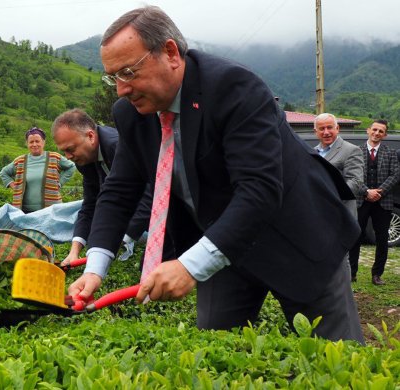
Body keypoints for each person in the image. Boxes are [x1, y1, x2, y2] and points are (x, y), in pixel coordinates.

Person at [68, 5, 364, 343]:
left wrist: (189, 265)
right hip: (224, 244)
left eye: (129, 72)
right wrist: (94, 268)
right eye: (113, 76)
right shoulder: (132, 114)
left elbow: (259, 190)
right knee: (215, 350)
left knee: (336, 355)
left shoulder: (234, 88)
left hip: (298, 235)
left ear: (170, 53)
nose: (121, 89)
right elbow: (119, 190)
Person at [51, 108, 151, 265]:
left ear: (90, 136)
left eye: (70, 149)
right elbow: (91, 203)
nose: (68, 157)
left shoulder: (117, 146)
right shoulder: (85, 159)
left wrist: (124, 238)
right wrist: (75, 250)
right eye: (64, 152)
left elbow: (151, 191)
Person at [349, 119, 398, 285]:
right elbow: (352, 175)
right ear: (368, 130)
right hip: (360, 200)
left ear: (385, 135)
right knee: (355, 236)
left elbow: (395, 175)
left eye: (381, 131)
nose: (377, 133)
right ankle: (352, 273)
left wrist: (380, 192)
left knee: (382, 239)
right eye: (375, 130)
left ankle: (377, 275)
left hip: (383, 202)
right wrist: (366, 191)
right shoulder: (356, 151)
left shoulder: (391, 153)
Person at [0, 126, 75, 213]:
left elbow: (71, 166)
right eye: (31, 142)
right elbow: (4, 172)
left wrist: (60, 183)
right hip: (24, 212)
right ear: (27, 143)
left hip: (51, 210)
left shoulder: (54, 157)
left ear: (43, 142)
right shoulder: (20, 161)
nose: (34, 144)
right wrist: (14, 186)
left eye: (37, 141)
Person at [313, 113, 364, 216]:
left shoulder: (351, 150)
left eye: (329, 127)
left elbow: (355, 181)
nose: (326, 132)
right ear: (316, 132)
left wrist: (330, 195)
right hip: (316, 213)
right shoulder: (312, 152)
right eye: (322, 129)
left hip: (341, 214)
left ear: (337, 128)